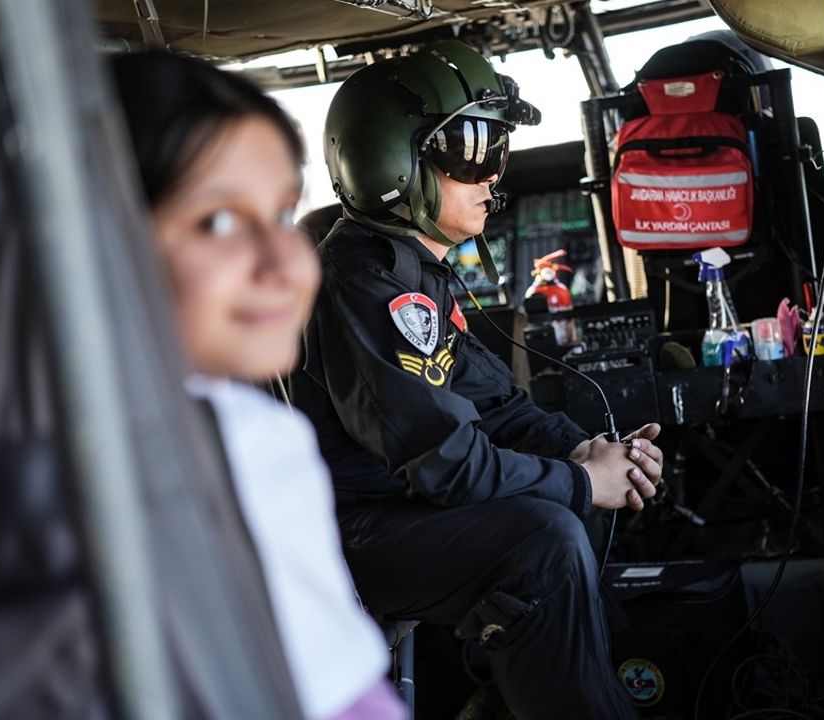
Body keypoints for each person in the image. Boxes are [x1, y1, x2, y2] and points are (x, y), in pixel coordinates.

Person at [290, 41, 663, 719]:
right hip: (349, 535)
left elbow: (499, 405)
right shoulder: (364, 285)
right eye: (469, 150)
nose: (493, 173)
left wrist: (595, 452)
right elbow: (446, 464)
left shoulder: (415, 274)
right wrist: (581, 482)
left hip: (394, 517)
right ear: (392, 162)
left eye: (497, 148)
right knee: (541, 541)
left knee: (573, 512)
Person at [109, 52, 403, 720]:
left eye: (281, 214)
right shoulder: (241, 440)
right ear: (98, 236)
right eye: (217, 221)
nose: (283, 262)